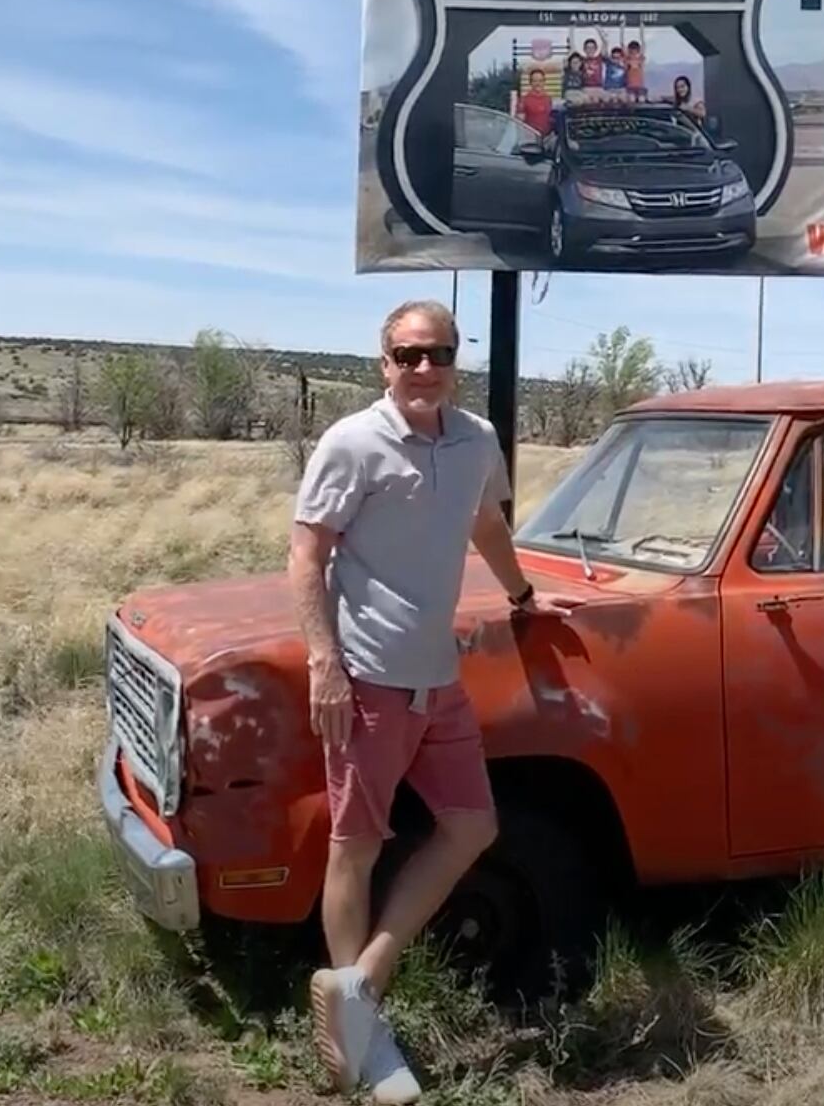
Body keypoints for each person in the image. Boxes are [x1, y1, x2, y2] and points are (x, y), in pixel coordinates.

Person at [288, 301, 584, 1101]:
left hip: (437, 679)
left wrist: (523, 595)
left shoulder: (475, 441)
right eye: (407, 355)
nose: (424, 369)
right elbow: (307, 551)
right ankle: (360, 1049)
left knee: (472, 825)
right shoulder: (352, 442)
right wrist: (324, 661)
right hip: (369, 678)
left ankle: (359, 985)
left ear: (457, 362)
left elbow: (484, 523)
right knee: (355, 844)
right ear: (383, 362)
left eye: (439, 354)